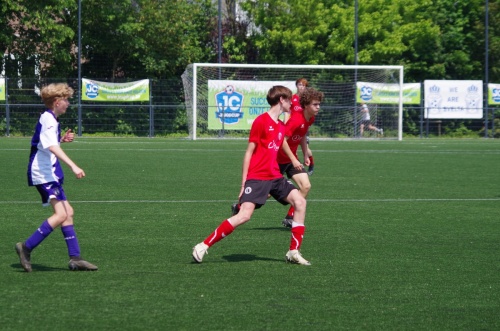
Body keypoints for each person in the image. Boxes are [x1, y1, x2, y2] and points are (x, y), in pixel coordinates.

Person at [193, 85, 311, 266]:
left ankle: (293, 251)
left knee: (300, 202)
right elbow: (249, 153)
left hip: (275, 177)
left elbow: (282, 145)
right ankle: (203, 245)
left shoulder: (281, 126)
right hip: (257, 177)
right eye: (289, 100)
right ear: (281, 100)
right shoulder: (261, 122)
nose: (292, 103)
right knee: (244, 215)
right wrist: (243, 184)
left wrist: (296, 159)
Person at [15, 83, 98, 272]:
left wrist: (60, 140)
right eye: (66, 100)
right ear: (57, 102)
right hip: (43, 173)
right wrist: (73, 165)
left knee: (68, 212)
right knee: (61, 214)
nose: (68, 103)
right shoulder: (49, 119)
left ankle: (75, 258)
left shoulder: (49, 118)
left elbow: (47, 142)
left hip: (49, 172)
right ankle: (26, 248)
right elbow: (51, 147)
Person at [278, 87, 324, 228]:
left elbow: (303, 134)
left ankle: (290, 217)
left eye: (319, 104)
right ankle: (240, 206)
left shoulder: (309, 118)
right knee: (265, 195)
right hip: (277, 159)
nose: (318, 107)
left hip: (292, 159)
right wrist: (293, 159)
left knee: (306, 186)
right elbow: (282, 141)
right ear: (305, 105)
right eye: (315, 104)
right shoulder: (296, 120)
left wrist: (305, 154)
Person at [285, 78, 315, 175]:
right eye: (299, 84)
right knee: (289, 146)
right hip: (292, 126)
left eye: (303, 85)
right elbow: (288, 112)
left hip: (302, 128)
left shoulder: (306, 100)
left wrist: (305, 128)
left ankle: (311, 163)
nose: (301, 87)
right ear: (296, 86)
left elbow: (308, 117)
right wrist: (286, 123)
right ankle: (293, 162)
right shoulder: (292, 98)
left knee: (306, 148)